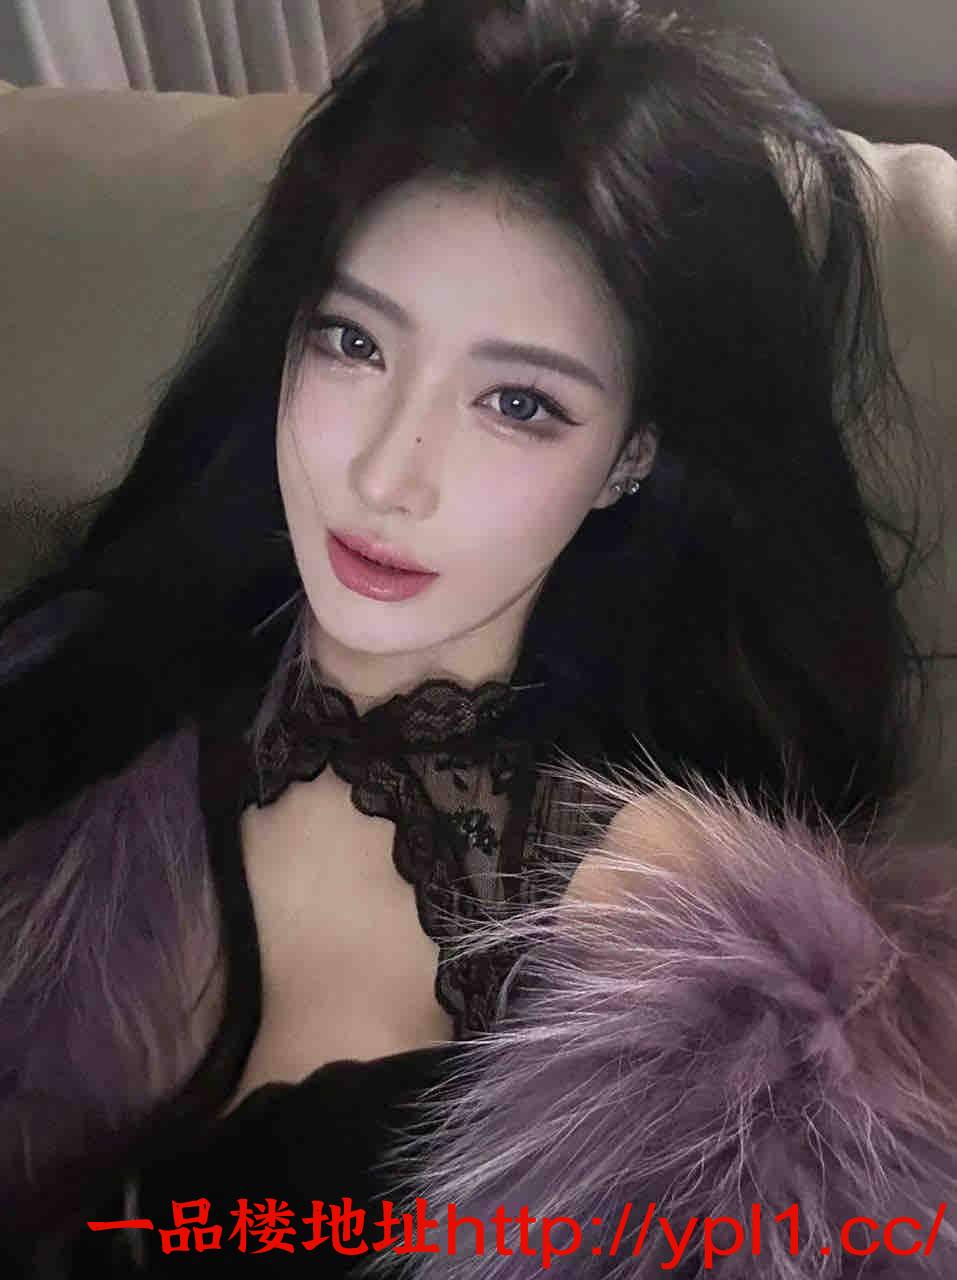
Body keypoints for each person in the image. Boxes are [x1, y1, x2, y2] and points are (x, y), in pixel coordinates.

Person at [1, 0, 955, 1274]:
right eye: (353, 341)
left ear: (633, 454)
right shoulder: (79, 700)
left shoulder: (701, 965)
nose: (387, 475)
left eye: (517, 402)